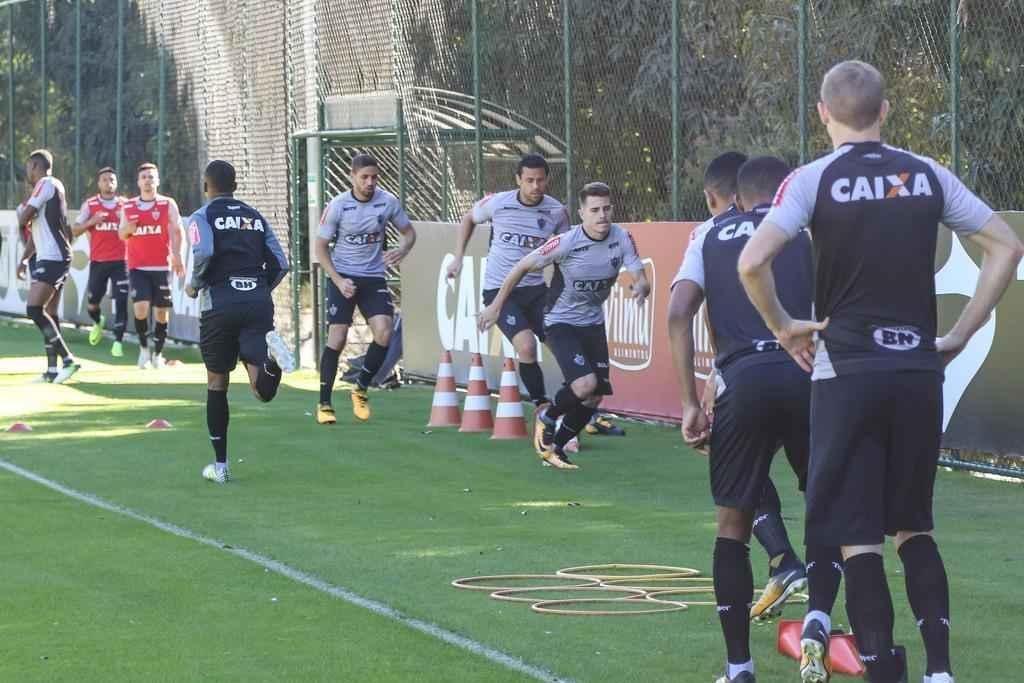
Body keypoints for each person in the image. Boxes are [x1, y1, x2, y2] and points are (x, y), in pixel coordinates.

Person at [738, 60, 1023, 683]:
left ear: (823, 114)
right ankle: (940, 672)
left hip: (846, 373)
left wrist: (784, 326)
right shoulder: (928, 174)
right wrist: (962, 331)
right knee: (914, 525)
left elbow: (752, 262)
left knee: (856, 535)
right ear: (886, 111)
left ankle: (883, 669)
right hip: (918, 369)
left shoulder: (812, 179)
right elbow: (1007, 245)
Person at [670, 156, 842, 683]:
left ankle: (739, 668)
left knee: (731, 528)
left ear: (737, 197)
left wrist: (691, 402)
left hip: (741, 379)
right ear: (787, 191)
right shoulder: (811, 232)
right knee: (828, 507)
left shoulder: (710, 233)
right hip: (808, 373)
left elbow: (679, 314)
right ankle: (817, 622)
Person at [479, 182, 649, 469]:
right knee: (584, 384)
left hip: (593, 323)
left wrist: (642, 286)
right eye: (594, 210)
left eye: (606, 208)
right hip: (560, 321)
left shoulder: (622, 237)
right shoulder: (566, 242)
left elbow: (639, 273)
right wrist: (495, 305)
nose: (602, 215)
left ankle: (554, 449)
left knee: (594, 397)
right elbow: (520, 267)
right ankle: (547, 416)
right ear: (581, 213)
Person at [448, 153, 570, 454]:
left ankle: (578, 408)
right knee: (526, 346)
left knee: (563, 342)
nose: (535, 186)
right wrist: (459, 257)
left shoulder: (556, 211)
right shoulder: (498, 203)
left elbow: (567, 249)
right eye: (529, 180)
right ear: (518, 179)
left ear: (547, 179)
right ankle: (542, 406)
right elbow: (468, 219)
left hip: (535, 291)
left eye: (540, 180)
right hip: (499, 291)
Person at [185, 160, 294, 484]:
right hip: (257, 303)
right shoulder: (255, 217)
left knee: (217, 382)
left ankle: (220, 467)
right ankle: (273, 362)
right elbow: (281, 263)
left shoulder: (201, 216)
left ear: (206, 186)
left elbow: (203, 251)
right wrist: (259, 289)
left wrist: (195, 283)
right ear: (235, 185)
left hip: (219, 304)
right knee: (262, 391)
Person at [314, 153, 416, 424]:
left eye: (374, 177)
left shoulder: (388, 202)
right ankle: (324, 403)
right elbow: (320, 248)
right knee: (337, 337)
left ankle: (360, 388)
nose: (370, 182)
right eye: (364, 177)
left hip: (372, 277)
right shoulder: (338, 206)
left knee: (384, 332)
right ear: (352, 177)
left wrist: (402, 250)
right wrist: (338, 280)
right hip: (343, 276)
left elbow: (410, 233)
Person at [15, 149, 79, 384]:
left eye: (28, 167)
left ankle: (69, 360)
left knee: (34, 309)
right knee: (49, 312)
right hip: (50, 257)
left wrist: (23, 213)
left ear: (34, 165)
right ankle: (52, 370)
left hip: (54, 257)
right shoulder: (48, 187)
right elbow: (34, 231)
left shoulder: (46, 183)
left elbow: (24, 219)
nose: (27, 173)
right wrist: (24, 258)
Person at [119, 162, 186, 369]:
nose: (148, 181)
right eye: (144, 177)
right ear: (139, 182)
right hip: (138, 267)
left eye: (151, 177)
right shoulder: (128, 206)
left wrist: (177, 254)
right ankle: (143, 350)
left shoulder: (167, 204)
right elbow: (122, 234)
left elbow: (178, 230)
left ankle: (158, 354)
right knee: (141, 308)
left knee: (161, 312)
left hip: (162, 267)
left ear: (157, 180)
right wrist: (129, 228)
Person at [71, 167, 128, 357]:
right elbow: (75, 230)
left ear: (116, 183)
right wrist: (92, 221)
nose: (108, 183)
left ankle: (118, 343)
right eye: (104, 180)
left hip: (121, 262)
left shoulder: (124, 205)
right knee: (92, 302)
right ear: (99, 183)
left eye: (112, 179)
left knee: (121, 300)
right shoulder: (91, 205)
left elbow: (136, 230)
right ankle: (97, 321)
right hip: (98, 261)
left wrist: (125, 223)